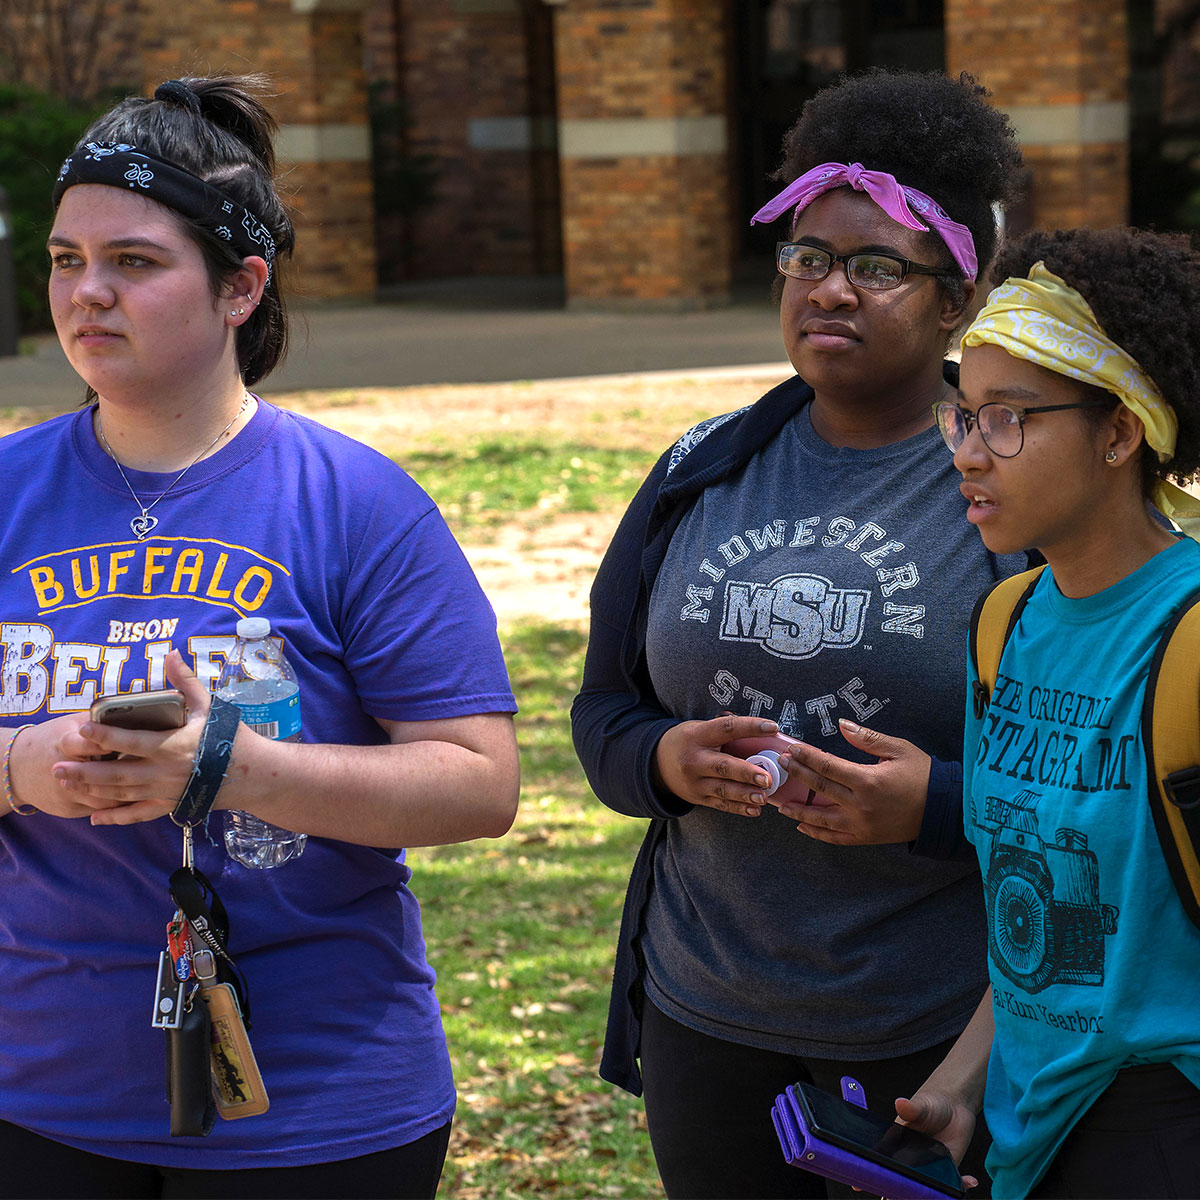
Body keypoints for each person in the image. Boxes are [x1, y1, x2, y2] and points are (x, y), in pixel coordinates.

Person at [0, 76, 519, 1199]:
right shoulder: (6, 492)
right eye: (63, 259)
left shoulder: (356, 502)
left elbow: (481, 784)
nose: (87, 293)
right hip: (37, 1097)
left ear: (242, 287)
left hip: (322, 1111)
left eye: (134, 263)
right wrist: (20, 766)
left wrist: (239, 769)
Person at [571, 69, 1025, 1199]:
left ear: (957, 300)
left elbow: (1098, 796)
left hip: (933, 1031)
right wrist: (663, 763)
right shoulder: (699, 468)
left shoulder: (1015, 484)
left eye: (878, 267)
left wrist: (931, 808)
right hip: (707, 1017)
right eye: (809, 257)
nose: (831, 290)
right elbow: (603, 715)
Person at [896, 226, 1200, 1199]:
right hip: (1031, 1128)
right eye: (965, 417)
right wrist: (958, 1087)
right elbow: (1056, 915)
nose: (970, 454)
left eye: (1010, 420)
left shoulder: (1191, 633)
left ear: (1120, 433)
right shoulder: (1002, 623)